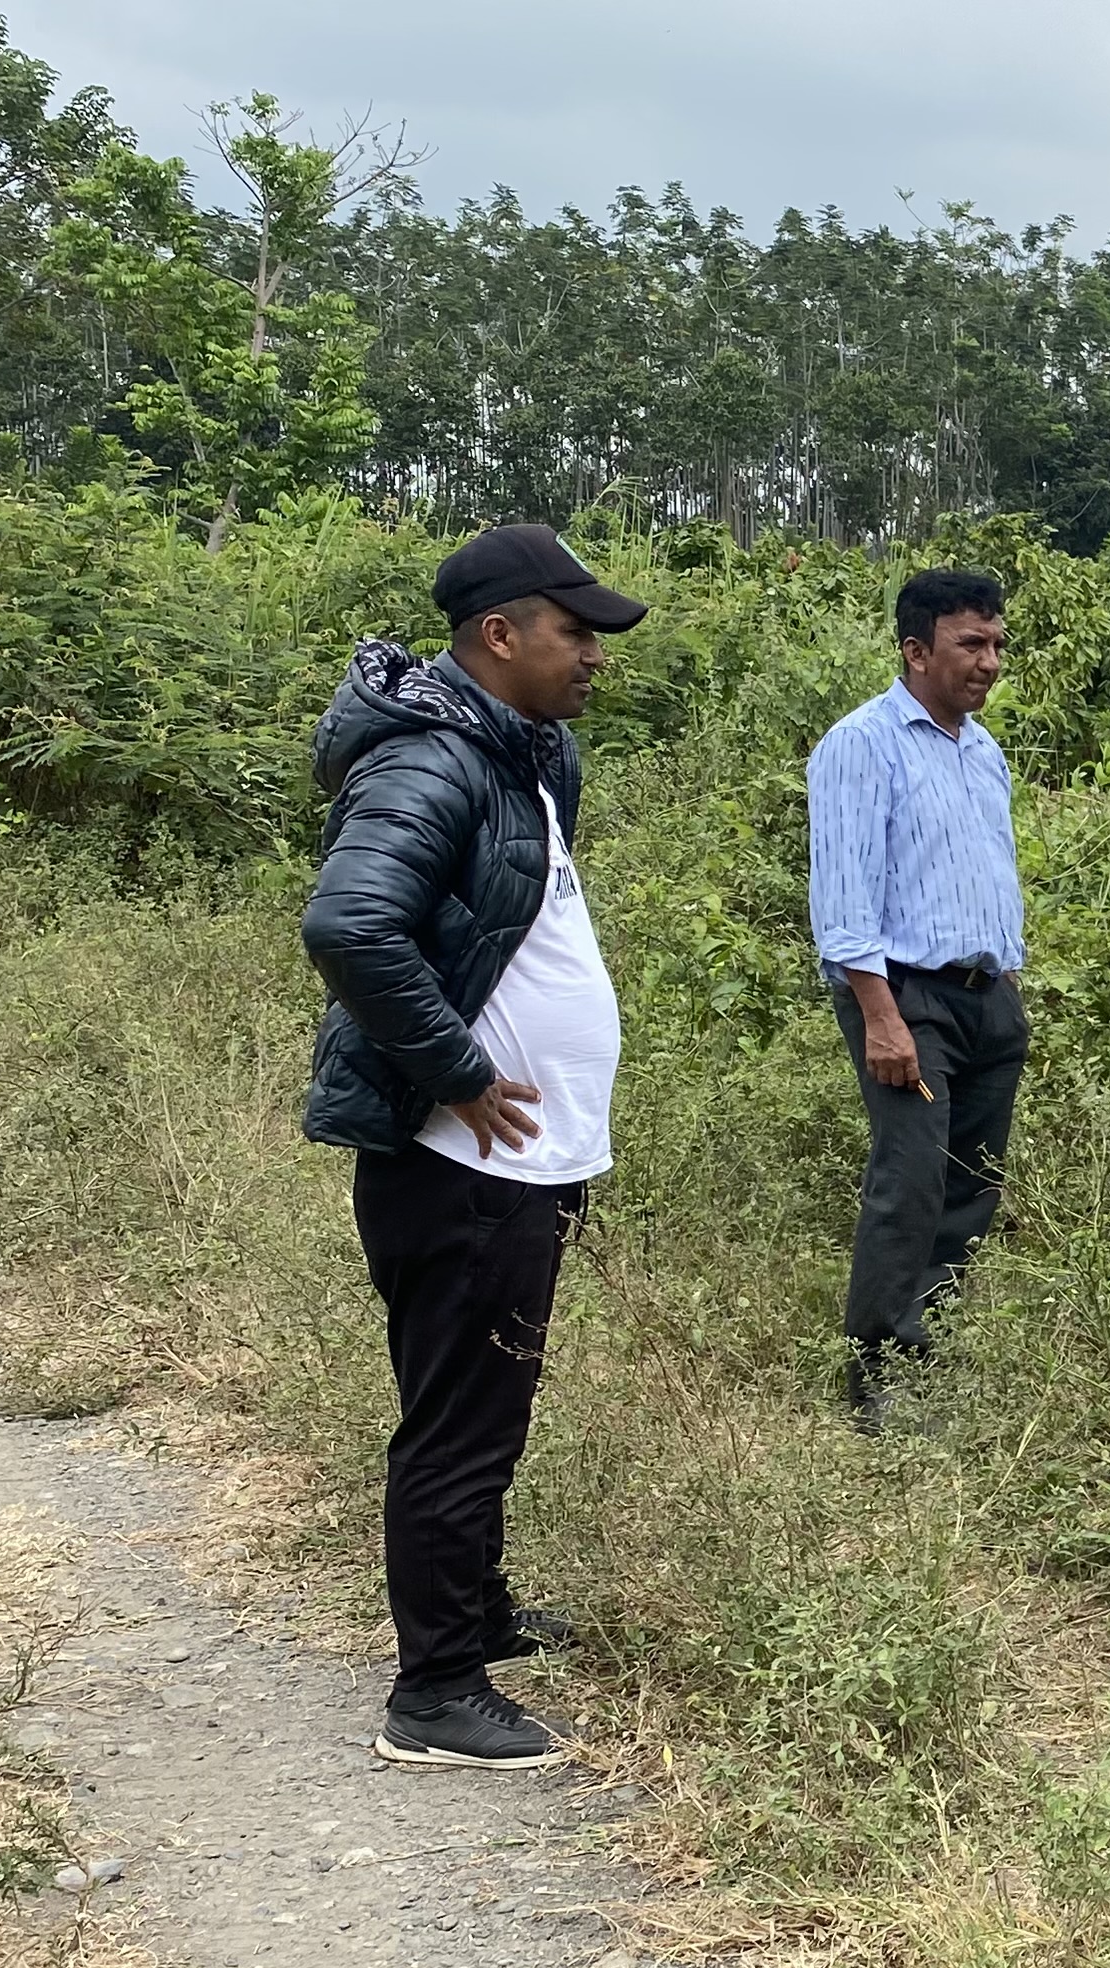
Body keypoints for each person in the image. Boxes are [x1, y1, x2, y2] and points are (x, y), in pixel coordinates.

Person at [300, 525, 648, 1770]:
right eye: (575, 632)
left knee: (487, 1403)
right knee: (459, 1422)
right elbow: (350, 925)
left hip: (522, 1164)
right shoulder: (433, 760)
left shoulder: (524, 752)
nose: (595, 655)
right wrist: (457, 1071)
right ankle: (436, 1691)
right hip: (460, 1164)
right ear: (499, 635)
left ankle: (480, 1611)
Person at [807, 567, 1029, 1426]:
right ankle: (877, 1375)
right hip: (906, 1000)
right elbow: (844, 899)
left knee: (972, 1184)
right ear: (916, 650)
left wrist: (1008, 986)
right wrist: (881, 1017)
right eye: (970, 644)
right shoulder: (862, 744)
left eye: (997, 644)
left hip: (986, 997)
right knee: (911, 1180)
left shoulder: (982, 750)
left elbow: (985, 872)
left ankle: (928, 1354)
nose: (990, 662)